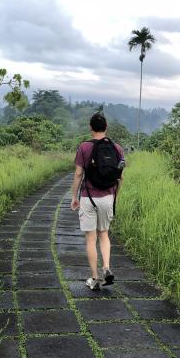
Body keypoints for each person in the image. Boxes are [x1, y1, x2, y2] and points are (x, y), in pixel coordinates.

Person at [70, 112, 125, 290]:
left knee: (90, 239)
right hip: (108, 197)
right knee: (104, 234)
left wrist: (73, 197)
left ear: (90, 128)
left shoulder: (84, 147)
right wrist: (115, 195)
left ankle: (94, 279)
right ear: (106, 127)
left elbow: (78, 174)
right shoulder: (116, 148)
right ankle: (106, 267)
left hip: (89, 198)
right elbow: (120, 177)